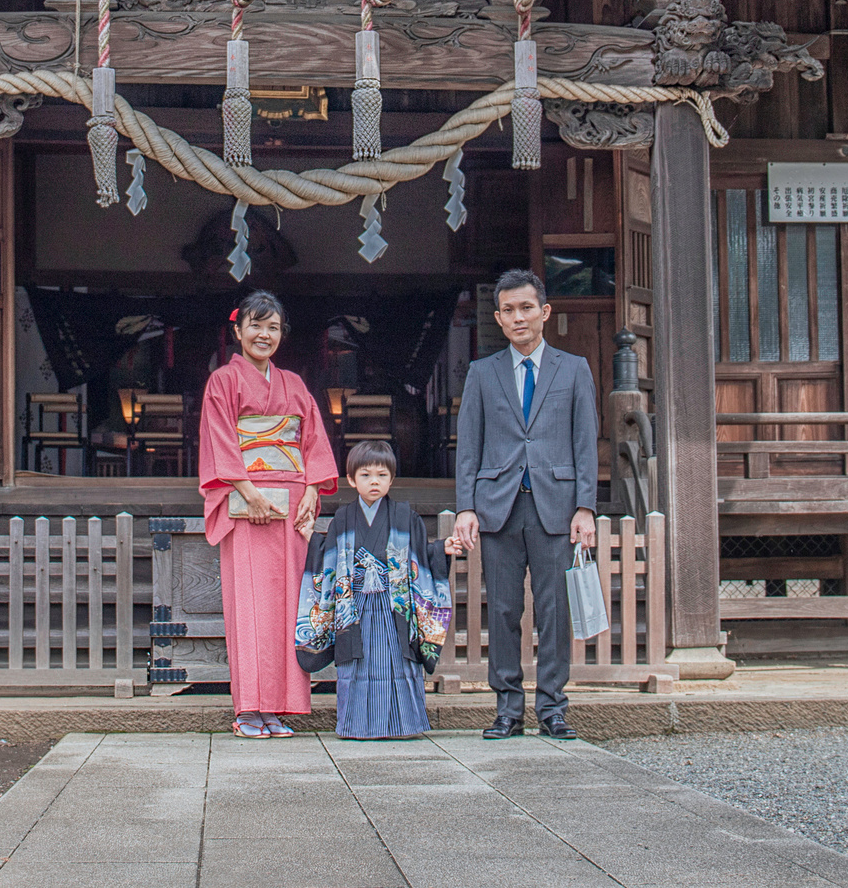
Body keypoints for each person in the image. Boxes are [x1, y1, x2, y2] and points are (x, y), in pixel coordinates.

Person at [447, 268, 598, 739]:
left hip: (556, 505)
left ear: (544, 312)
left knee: (556, 611)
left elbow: (585, 442)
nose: (518, 318)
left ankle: (552, 708)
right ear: (498, 316)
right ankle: (508, 709)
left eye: (526, 308)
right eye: (508, 310)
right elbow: (468, 445)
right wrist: (466, 506)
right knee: (506, 610)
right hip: (499, 506)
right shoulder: (482, 372)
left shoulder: (573, 369)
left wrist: (586, 508)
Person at [197, 291, 339, 739]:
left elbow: (312, 440)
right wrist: (247, 491)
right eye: (256, 326)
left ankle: (279, 707)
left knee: (287, 608)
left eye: (273, 327)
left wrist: (314, 491)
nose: (264, 335)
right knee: (250, 606)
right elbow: (220, 438)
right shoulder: (222, 381)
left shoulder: (294, 384)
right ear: (237, 331)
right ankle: (247, 710)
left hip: (292, 503)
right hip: (246, 502)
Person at [295, 438, 451, 739]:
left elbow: (422, 553)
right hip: (354, 610)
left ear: (392, 478)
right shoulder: (343, 517)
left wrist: (442, 549)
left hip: (395, 608)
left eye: (382, 475)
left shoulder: (407, 516)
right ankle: (356, 726)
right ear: (352, 480)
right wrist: (311, 537)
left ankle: (404, 725)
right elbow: (329, 553)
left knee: (396, 662)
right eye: (365, 475)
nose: (374, 482)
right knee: (358, 665)